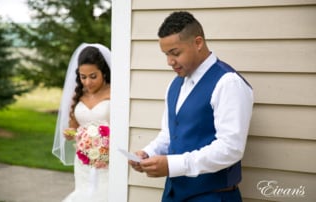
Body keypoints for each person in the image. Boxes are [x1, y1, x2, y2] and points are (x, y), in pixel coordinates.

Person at [129, 11, 253, 202]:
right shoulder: (174, 84)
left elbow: (231, 148)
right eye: (166, 54)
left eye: (175, 53)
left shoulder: (228, 82)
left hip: (213, 197)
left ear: (198, 43)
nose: (169, 62)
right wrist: (148, 153)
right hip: (172, 194)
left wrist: (173, 165)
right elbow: (170, 135)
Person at [52, 43, 111, 202]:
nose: (87, 82)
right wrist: (70, 134)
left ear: (103, 72)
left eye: (93, 76)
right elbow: (74, 129)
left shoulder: (115, 93)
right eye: (83, 77)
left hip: (109, 162)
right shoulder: (78, 95)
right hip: (84, 160)